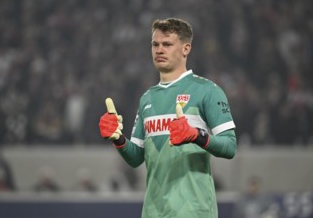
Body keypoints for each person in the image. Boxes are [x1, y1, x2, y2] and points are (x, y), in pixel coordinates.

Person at [99, 18, 237, 218]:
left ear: (185, 48)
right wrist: (117, 138)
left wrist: (196, 135)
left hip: (194, 211)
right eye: (155, 44)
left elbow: (230, 147)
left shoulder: (207, 91)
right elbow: (136, 157)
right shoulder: (147, 98)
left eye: (167, 44)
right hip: (153, 212)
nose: (159, 50)